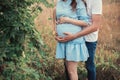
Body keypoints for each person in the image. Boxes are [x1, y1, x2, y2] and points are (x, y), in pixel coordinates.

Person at [55, 0, 102, 80]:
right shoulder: (68, 2)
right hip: (70, 39)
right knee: (69, 68)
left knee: (89, 65)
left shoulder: (95, 1)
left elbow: (95, 26)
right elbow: (56, 12)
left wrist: (74, 36)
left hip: (88, 38)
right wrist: (56, 31)